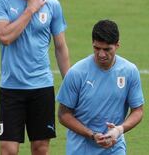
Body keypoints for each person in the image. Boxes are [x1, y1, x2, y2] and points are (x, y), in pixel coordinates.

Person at [0, 0, 70, 154]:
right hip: (11, 88)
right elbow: (5, 37)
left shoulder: (52, 5)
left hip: (41, 87)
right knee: (8, 149)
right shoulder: (0, 2)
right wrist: (30, 10)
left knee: (41, 148)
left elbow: (60, 47)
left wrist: (69, 82)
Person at [56, 19, 144, 155]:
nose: (101, 54)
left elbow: (138, 111)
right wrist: (92, 135)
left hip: (114, 148)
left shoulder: (129, 71)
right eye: (97, 48)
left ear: (117, 45)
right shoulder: (77, 73)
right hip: (81, 150)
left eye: (107, 49)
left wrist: (118, 130)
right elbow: (63, 114)